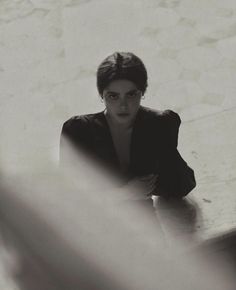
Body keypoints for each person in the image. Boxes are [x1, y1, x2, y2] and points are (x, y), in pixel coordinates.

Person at [60, 52, 196, 200]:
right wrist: (125, 193)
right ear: (101, 95)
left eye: (131, 94)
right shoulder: (78, 131)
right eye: (113, 96)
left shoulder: (161, 123)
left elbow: (181, 185)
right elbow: (68, 195)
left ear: (142, 92)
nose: (123, 105)